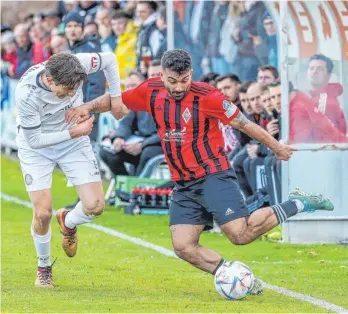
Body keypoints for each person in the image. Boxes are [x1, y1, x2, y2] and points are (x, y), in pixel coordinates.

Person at [67, 49, 334, 295]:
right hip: (184, 184)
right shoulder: (151, 90)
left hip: (213, 175)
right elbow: (117, 100)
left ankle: (299, 202)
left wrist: (276, 147)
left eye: (184, 80)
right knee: (183, 246)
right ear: (163, 76)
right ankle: (236, 277)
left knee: (240, 235)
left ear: (191, 74)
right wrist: (86, 106)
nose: (179, 86)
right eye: (173, 81)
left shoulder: (208, 96)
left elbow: (243, 123)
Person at [15, 51, 127, 288]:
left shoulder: (76, 64)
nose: (72, 94)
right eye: (66, 90)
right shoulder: (26, 93)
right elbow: (34, 141)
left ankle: (69, 221)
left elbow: (109, 59)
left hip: (72, 142)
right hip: (39, 146)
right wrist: (74, 131)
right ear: (49, 80)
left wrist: (115, 98)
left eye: (75, 88)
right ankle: (44, 267)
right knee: (43, 213)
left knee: (96, 206)